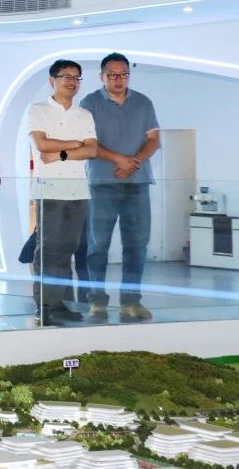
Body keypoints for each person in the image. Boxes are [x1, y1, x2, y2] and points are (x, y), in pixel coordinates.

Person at [80, 52, 160, 322]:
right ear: (102, 76)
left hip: (138, 183)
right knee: (98, 245)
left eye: (124, 74)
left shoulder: (143, 102)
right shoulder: (90, 102)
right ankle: (96, 301)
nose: (118, 79)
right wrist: (118, 159)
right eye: (112, 74)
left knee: (137, 245)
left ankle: (131, 301)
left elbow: (154, 139)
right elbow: (88, 143)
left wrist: (133, 162)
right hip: (102, 183)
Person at [27, 60, 97, 326]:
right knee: (48, 250)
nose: (72, 82)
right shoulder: (38, 110)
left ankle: (60, 304)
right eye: (66, 76)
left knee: (67, 250)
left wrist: (62, 153)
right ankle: (43, 306)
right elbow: (42, 144)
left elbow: (92, 150)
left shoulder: (84, 114)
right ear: (52, 80)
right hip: (50, 189)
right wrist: (75, 143)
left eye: (76, 77)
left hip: (78, 190)